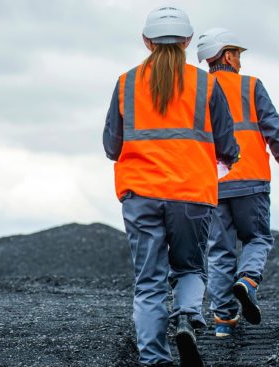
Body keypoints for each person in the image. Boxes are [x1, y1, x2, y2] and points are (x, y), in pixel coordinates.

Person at [103, 7, 240, 366]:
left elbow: (111, 146)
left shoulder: (126, 83)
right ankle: (186, 315)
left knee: (149, 281)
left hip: (141, 193)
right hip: (192, 193)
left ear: (146, 41)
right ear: (188, 41)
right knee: (191, 269)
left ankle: (155, 360)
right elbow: (228, 146)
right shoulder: (207, 84)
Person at [195, 28, 279, 337]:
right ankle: (248, 281)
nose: (240, 60)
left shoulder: (196, 90)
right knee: (257, 239)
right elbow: (274, 129)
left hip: (212, 183)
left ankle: (224, 320)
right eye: (238, 54)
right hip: (251, 179)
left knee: (219, 250)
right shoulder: (251, 86)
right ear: (227, 55)